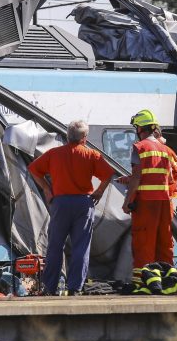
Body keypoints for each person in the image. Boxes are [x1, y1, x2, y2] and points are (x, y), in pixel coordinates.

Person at [28, 120, 114, 295]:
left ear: (68, 136)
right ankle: (75, 288)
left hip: (60, 204)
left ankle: (50, 287)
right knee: (81, 247)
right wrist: (99, 191)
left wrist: (46, 188)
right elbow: (108, 174)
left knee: (55, 246)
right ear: (84, 137)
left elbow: (33, 169)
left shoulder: (54, 154)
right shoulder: (92, 155)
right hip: (83, 204)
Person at [122, 109, 174, 282]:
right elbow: (164, 175)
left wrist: (128, 201)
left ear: (140, 128)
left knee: (143, 242)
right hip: (165, 203)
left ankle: (143, 283)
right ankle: (168, 281)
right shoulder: (166, 149)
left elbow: (138, 177)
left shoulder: (140, 147)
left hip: (146, 202)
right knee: (163, 242)